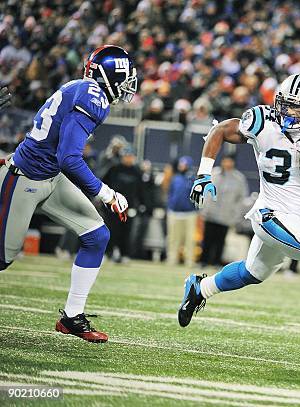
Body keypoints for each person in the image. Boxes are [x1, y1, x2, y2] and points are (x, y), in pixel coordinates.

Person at [180, 74, 300, 355]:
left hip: (295, 217)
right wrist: (203, 174)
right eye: (284, 104)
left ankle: (200, 289)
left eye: (297, 107)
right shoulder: (262, 120)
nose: (288, 112)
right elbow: (220, 131)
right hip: (269, 213)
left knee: (253, 273)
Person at [0, 45, 136, 342]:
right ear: (110, 76)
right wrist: (106, 193)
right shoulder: (93, 96)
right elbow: (69, 158)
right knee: (2, 258)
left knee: (96, 235)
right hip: (25, 177)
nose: (129, 85)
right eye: (125, 77)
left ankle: (72, 316)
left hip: (49, 175)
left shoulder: (83, 88)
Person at [200, 155, 248, 268]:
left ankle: (216, 262)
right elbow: (205, 191)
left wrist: (235, 214)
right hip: (211, 213)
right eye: (225, 161)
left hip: (226, 215)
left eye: (229, 162)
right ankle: (203, 261)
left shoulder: (239, 178)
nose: (227, 164)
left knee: (220, 240)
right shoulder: (214, 173)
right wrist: (204, 208)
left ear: (233, 163)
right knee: (207, 239)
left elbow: (241, 198)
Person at [102, 146, 142, 263]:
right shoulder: (114, 169)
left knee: (126, 232)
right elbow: (104, 185)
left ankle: (124, 254)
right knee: (110, 230)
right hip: (113, 206)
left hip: (128, 207)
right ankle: (107, 253)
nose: (128, 159)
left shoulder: (136, 172)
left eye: (131, 156)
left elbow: (140, 190)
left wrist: (141, 205)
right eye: (126, 156)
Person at [166, 156, 198, 268]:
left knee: (190, 239)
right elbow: (170, 193)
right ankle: (172, 259)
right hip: (174, 212)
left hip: (189, 213)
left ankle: (189, 261)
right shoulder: (175, 178)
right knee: (173, 238)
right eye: (181, 164)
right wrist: (170, 206)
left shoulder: (193, 179)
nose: (181, 166)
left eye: (184, 164)